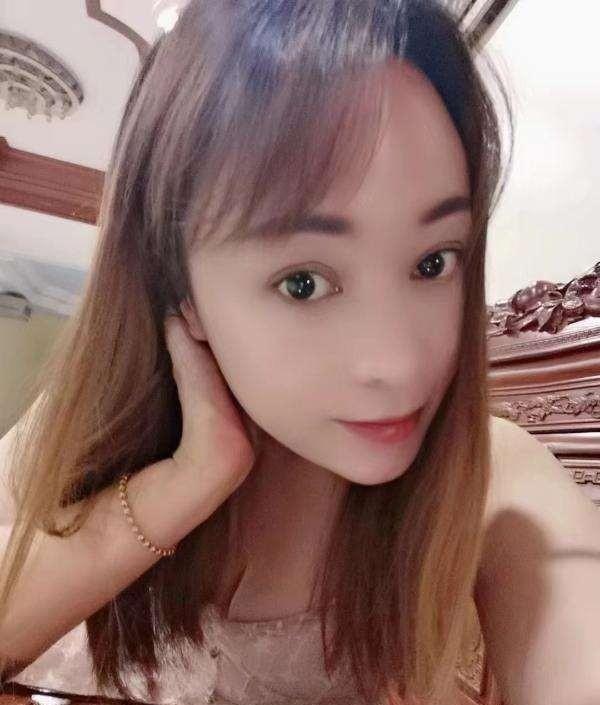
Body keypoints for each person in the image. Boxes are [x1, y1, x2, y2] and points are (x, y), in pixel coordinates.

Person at [3, 1, 600, 704]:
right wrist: (185, 482)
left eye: (434, 262)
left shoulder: (491, 479)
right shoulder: (86, 428)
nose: (400, 364)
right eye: (304, 282)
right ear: (181, 290)